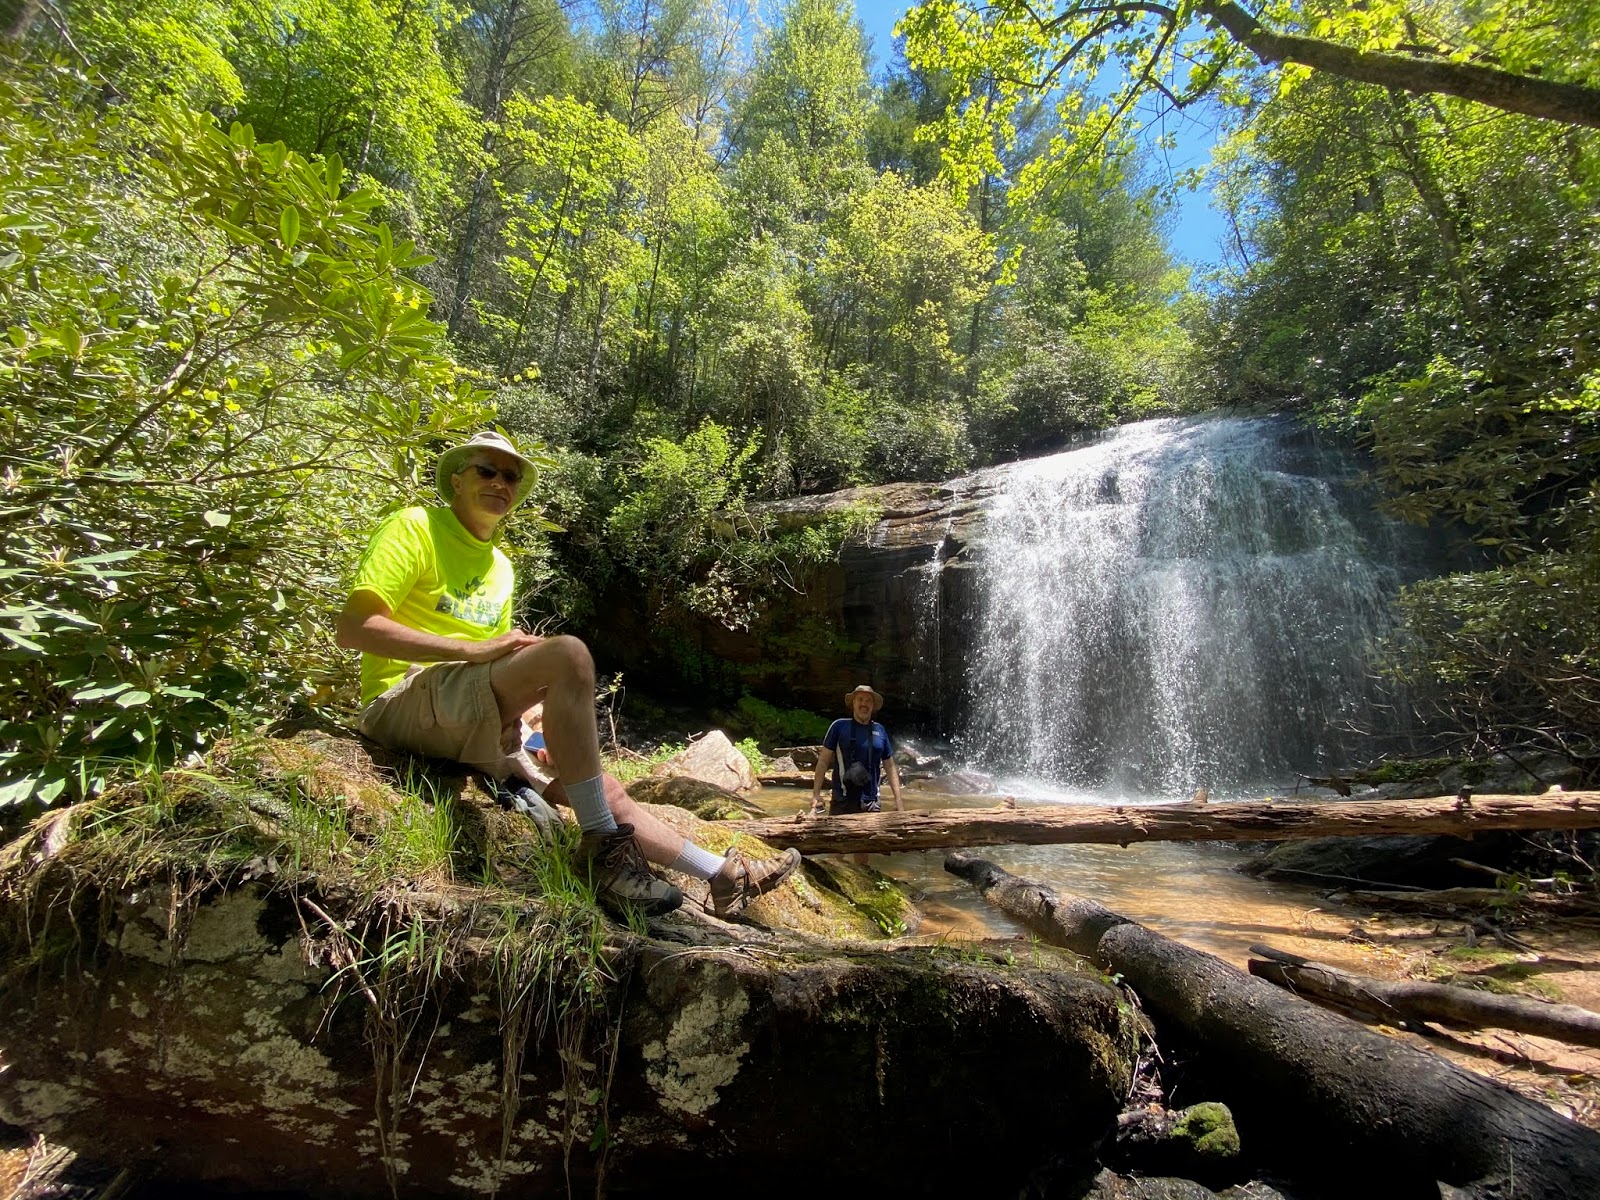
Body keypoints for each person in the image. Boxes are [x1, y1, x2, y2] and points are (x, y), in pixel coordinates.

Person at [335, 429, 800, 918]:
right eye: (486, 470)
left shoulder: (500, 568)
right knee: (570, 655)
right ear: (456, 479)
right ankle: (603, 853)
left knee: (601, 788)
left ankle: (722, 876)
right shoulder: (416, 527)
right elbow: (354, 628)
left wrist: (533, 720)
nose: (500, 482)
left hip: (464, 715)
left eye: (510, 475)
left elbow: (498, 663)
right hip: (402, 703)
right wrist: (471, 650)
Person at [810, 685, 903, 826]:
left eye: (868, 701)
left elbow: (889, 766)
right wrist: (816, 794)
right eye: (860, 699)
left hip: (872, 803)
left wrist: (898, 799)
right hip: (842, 801)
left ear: (873, 706)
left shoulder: (880, 730)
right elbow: (823, 762)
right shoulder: (839, 727)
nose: (864, 704)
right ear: (853, 703)